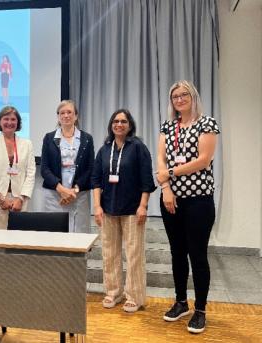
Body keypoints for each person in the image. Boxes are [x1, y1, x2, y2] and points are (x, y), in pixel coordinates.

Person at [156, 80, 220, 333]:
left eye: (184, 95)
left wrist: (170, 172)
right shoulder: (168, 126)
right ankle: (181, 302)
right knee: (177, 253)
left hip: (199, 202)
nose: (179, 99)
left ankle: (200, 309)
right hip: (172, 200)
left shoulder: (207, 123)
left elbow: (203, 161)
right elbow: (159, 158)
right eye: (175, 96)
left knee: (198, 255)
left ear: (193, 97)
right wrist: (166, 189)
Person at [92, 109, 156, 313]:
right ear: (111, 125)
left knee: (134, 254)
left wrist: (143, 205)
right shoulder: (104, 149)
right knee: (109, 253)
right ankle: (113, 292)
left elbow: (147, 180)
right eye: (116, 121)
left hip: (132, 209)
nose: (119, 124)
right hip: (108, 208)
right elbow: (95, 180)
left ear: (130, 125)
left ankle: (134, 296)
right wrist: (97, 206)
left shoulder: (138, 147)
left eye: (123, 121)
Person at [41, 100, 94, 233]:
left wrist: (73, 192)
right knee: (55, 233)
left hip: (79, 195)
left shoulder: (87, 138)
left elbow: (90, 168)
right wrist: (62, 190)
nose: (66, 115)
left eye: (69, 112)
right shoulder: (49, 138)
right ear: (58, 117)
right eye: (62, 113)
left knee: (79, 233)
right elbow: (45, 169)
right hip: (55, 195)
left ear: (76, 116)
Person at [0, 106, 36, 229]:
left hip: (19, 201)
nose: (9, 123)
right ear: (0, 121)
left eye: (13, 119)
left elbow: (31, 173)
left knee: (19, 242)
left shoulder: (27, 144)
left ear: (18, 122)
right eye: (6, 119)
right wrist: (0, 198)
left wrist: (20, 199)